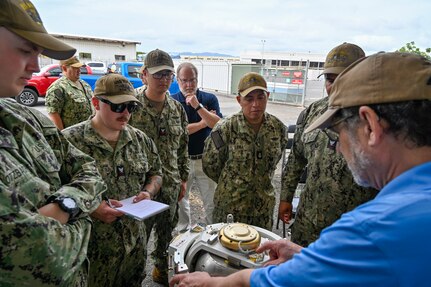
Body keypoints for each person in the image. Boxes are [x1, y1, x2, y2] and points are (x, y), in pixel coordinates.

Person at [170, 51, 431, 287]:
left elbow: (285, 280)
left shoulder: (368, 230)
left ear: (371, 127)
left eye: (340, 133)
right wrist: (305, 255)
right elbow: (215, 165)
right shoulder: (408, 211)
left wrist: (215, 283)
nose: (338, 149)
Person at [0, 0, 106, 285]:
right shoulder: (53, 94)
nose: (35, 66)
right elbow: (43, 258)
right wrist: (84, 215)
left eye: (37, 53)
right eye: (25, 50)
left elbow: (88, 168)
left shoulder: (21, 117)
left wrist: (63, 207)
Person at [62, 74, 163, 286]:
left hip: (133, 250)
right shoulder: (68, 141)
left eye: (130, 107)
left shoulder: (140, 140)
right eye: (118, 107)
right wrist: (91, 208)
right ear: (96, 103)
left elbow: (156, 173)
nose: (125, 113)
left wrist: (148, 192)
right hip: (91, 254)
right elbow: (50, 193)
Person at [278, 42, 378, 246]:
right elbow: (296, 158)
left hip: (352, 231)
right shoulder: (313, 112)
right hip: (308, 224)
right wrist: (286, 197)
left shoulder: (376, 120)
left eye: (342, 80)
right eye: (330, 79)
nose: (334, 87)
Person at [129, 48, 189, 285]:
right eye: (158, 75)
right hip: (138, 188)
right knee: (136, 239)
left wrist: (183, 179)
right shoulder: (130, 105)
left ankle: (160, 272)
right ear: (144, 74)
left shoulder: (177, 109)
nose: (165, 80)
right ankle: (134, 276)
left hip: (170, 184)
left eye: (169, 75)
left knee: (167, 235)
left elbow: (183, 147)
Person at [202, 72, 288, 230]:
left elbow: (274, 161)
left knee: (260, 253)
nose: (255, 104)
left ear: (267, 96)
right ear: (239, 100)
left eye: (260, 97)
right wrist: (233, 185)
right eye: (249, 99)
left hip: (263, 209)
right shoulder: (224, 128)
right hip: (230, 209)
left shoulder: (278, 129)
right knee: (226, 253)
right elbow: (210, 165)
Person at [171, 62, 222, 231]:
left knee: (211, 201)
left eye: (192, 80)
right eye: (184, 80)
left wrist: (197, 106)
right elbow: (178, 131)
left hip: (205, 159)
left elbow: (218, 125)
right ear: (177, 80)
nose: (188, 84)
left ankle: (212, 233)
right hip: (183, 160)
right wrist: (202, 123)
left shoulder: (209, 99)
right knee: (181, 202)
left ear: (197, 79)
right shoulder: (174, 102)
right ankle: (183, 235)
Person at [45, 55, 94, 130]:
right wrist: (63, 138)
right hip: (72, 137)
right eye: (75, 68)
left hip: (89, 132)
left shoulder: (84, 84)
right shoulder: (57, 88)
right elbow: (54, 116)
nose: (79, 70)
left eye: (79, 68)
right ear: (64, 68)